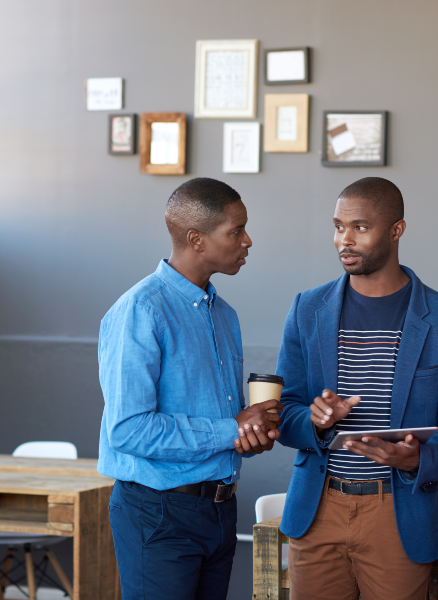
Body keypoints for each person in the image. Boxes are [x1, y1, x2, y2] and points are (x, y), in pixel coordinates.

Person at [275, 177, 438, 599]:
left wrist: (416, 458)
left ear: (396, 230)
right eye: (337, 226)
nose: (343, 240)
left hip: (399, 513)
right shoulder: (306, 310)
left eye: (360, 227)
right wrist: (316, 421)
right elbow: (286, 409)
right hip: (318, 508)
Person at [98, 177, 282, 600]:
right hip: (158, 514)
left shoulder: (224, 315)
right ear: (196, 239)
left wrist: (249, 436)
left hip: (219, 509)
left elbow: (222, 419)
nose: (248, 241)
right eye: (236, 231)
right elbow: (127, 429)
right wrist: (229, 430)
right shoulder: (140, 311)